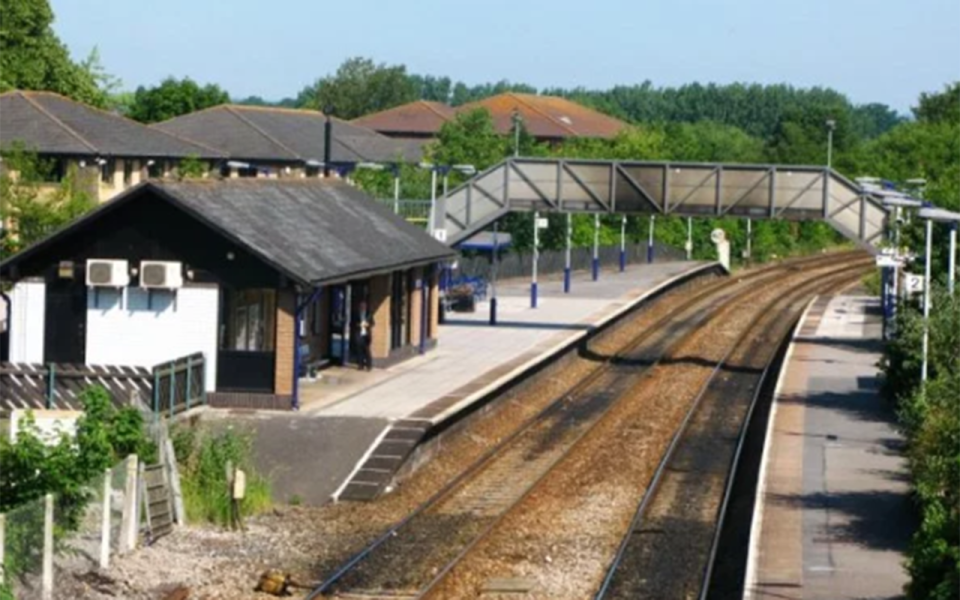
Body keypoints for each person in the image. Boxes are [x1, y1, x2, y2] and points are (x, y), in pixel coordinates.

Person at [352, 301, 374, 371]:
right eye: (361, 306)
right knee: (359, 350)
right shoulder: (356, 314)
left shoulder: (369, 314)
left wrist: (368, 325)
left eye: (364, 306)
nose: (362, 307)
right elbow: (352, 323)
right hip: (359, 334)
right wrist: (357, 325)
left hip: (366, 334)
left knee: (367, 350)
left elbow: (373, 323)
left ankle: (369, 366)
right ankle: (360, 365)